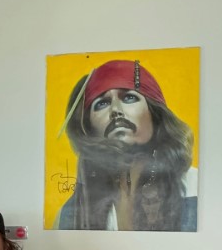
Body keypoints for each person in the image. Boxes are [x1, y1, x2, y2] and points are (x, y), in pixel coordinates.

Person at [55, 59, 198, 231]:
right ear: (89, 128)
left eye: (129, 97)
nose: (116, 109)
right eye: (102, 103)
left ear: (155, 114)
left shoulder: (196, 189)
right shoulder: (70, 216)